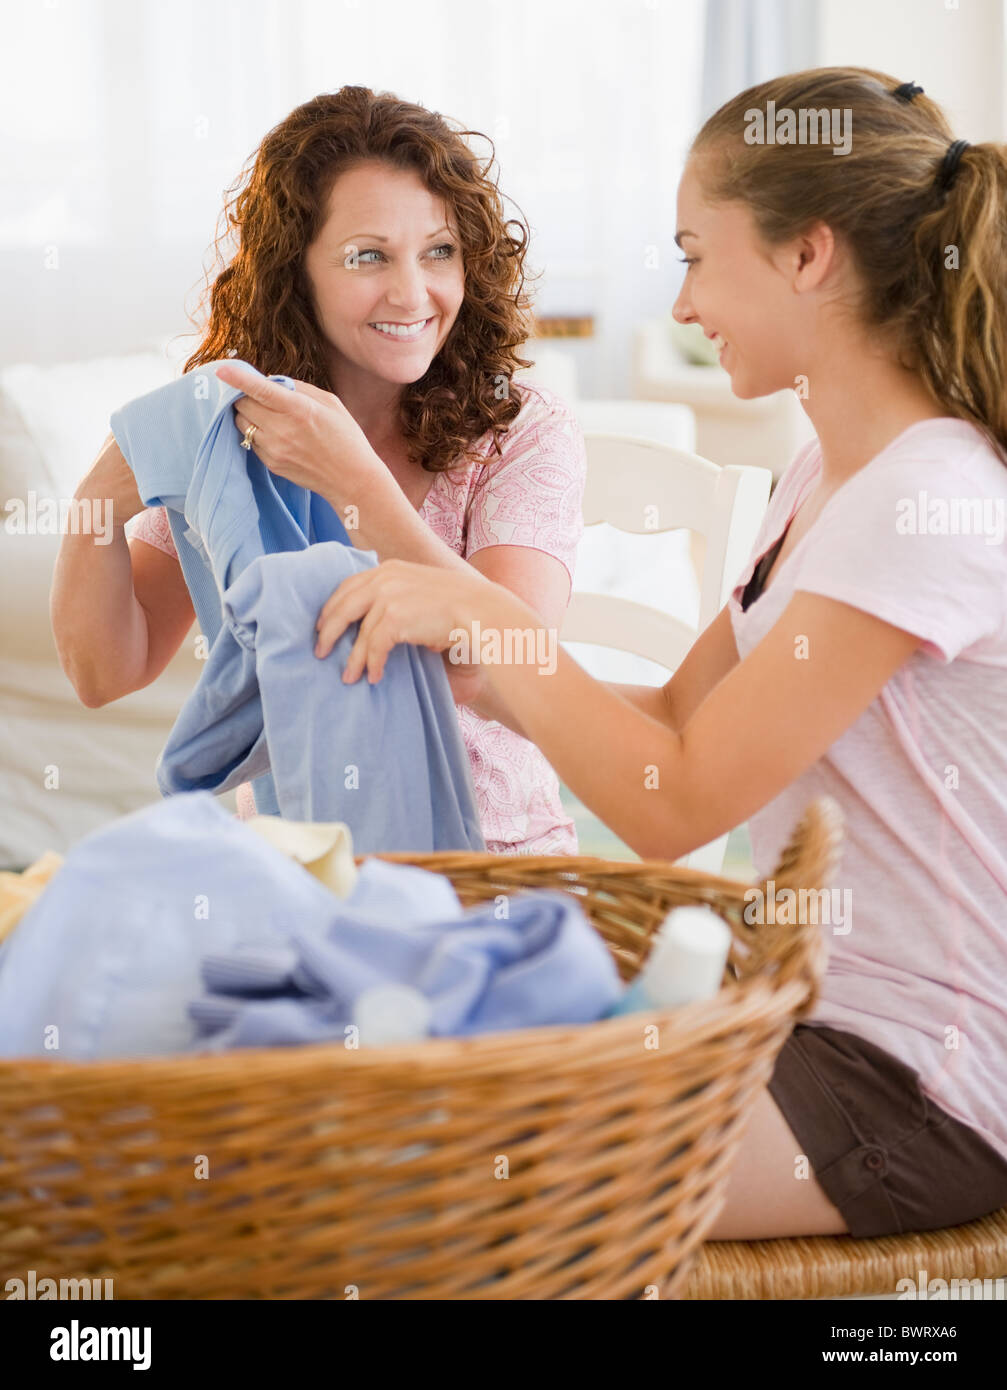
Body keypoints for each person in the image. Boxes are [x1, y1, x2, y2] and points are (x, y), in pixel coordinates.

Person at [311, 67, 1007, 1240]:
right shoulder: (825, 474)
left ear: (805, 257)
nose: (682, 304)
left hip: (917, 1091)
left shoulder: (922, 496)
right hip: (790, 1014)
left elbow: (671, 801)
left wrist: (480, 622)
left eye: (694, 253)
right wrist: (477, 684)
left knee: (422, 1183)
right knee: (378, 1088)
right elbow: (681, 714)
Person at [51, 86, 585, 855]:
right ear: (293, 270)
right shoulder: (238, 431)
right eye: (368, 256)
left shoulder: (520, 428)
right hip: (296, 862)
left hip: (491, 868)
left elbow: (494, 667)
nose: (413, 293)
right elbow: (105, 670)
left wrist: (351, 483)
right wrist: (99, 494)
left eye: (439, 251)